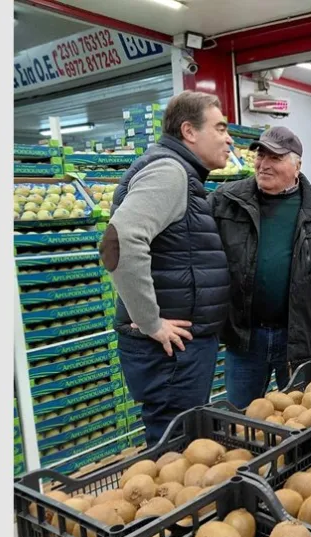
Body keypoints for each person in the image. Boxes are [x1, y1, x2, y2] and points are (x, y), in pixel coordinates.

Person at [100, 91, 233, 446]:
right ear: (189, 131)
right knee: (176, 453)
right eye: (219, 128)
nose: (228, 138)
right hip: (170, 353)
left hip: (178, 350)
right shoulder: (169, 172)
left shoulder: (181, 174)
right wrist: (151, 322)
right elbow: (119, 241)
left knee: (180, 444)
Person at [210, 126, 311, 409]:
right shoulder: (226, 202)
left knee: (302, 421)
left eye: (275, 157)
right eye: (261, 155)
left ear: (297, 166)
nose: (264, 164)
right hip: (246, 339)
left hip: (299, 340)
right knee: (242, 419)